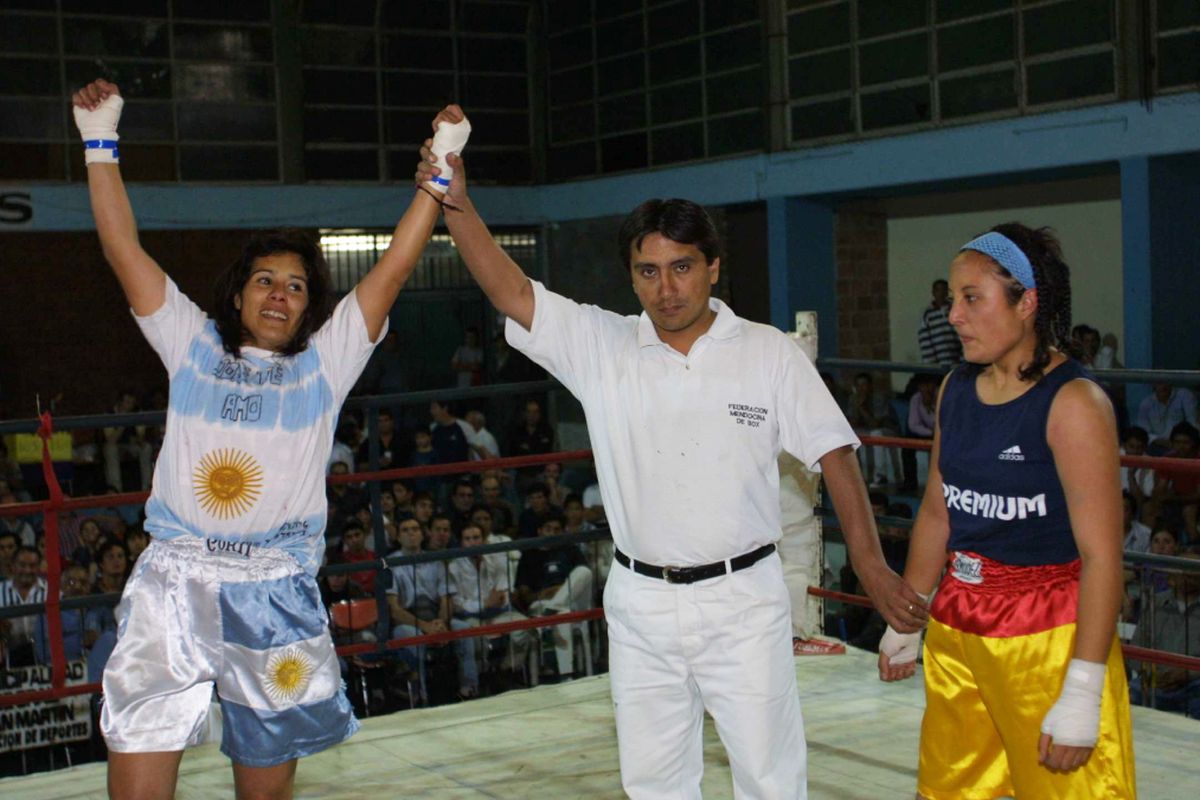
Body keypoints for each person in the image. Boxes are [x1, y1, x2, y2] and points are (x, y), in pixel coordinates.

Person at [418, 108, 922, 798]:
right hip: (640, 603)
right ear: (632, 278)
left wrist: (869, 563)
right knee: (654, 783)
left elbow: (834, 453)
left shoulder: (768, 353)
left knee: (771, 779)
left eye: (681, 267)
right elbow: (511, 289)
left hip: (743, 599)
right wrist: (460, 204)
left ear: (712, 267)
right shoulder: (604, 346)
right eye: (648, 271)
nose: (667, 287)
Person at [73, 78, 446, 798]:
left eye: (297, 286)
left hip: (275, 594)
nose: (280, 294)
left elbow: (396, 266)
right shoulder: (191, 342)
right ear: (238, 293)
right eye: (266, 281)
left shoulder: (325, 363)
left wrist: (439, 168)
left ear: (311, 306)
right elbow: (123, 250)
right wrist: (99, 141)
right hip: (173, 587)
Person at [878, 224, 1135, 798]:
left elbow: (1101, 556)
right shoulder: (955, 389)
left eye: (972, 299)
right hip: (958, 624)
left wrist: (1083, 688)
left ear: (1027, 304)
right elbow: (939, 512)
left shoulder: (1074, 403)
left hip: (1047, 634)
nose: (953, 316)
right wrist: (909, 617)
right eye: (953, 300)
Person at [917, 278, 962, 367]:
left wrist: (962, 361)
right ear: (933, 292)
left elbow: (962, 334)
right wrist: (931, 365)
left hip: (957, 362)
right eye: (938, 290)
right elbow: (924, 339)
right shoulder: (927, 314)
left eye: (944, 290)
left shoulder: (955, 311)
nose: (941, 293)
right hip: (938, 364)